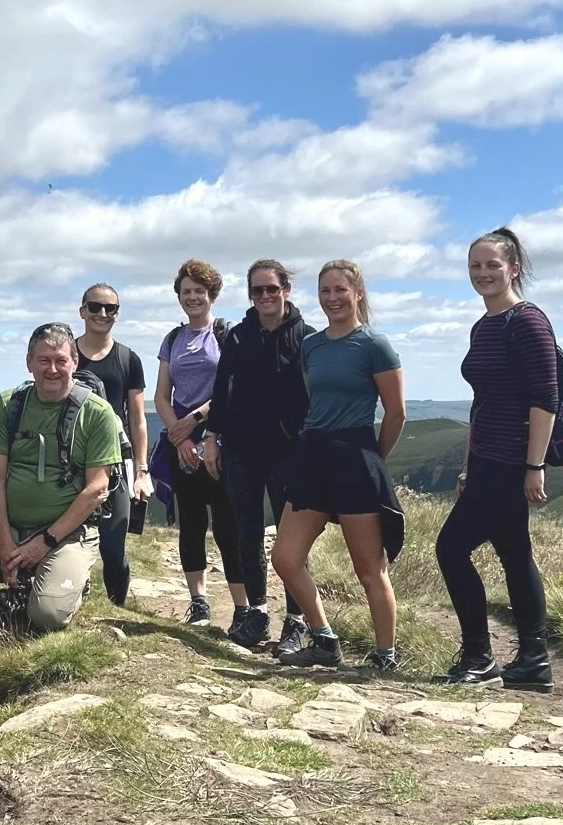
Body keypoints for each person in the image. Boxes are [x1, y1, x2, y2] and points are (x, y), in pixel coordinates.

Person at [0, 322, 124, 690]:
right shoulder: (8, 405)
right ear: (29, 363)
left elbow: (97, 488)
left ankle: (59, 591)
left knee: (47, 614)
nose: (52, 369)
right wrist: (5, 546)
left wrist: (42, 544)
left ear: (74, 362)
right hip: (13, 531)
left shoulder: (96, 413)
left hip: (68, 537)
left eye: (60, 361)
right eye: (43, 360)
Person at [437, 226, 559, 692]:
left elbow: (544, 399)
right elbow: (482, 402)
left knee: (450, 548)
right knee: (514, 554)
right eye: (475, 265)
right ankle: (533, 661)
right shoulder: (485, 325)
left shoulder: (527, 321)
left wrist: (534, 466)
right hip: (489, 459)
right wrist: (471, 466)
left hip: (512, 461)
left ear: (514, 268)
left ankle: (479, 656)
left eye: (493, 265)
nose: (483, 273)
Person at [270, 260, 406, 671]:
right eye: (325, 291)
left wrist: (371, 460)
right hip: (313, 454)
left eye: (340, 290)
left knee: (368, 569)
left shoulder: (374, 345)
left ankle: (386, 657)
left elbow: (395, 412)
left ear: (358, 293)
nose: (332, 298)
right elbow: (316, 398)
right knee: (285, 557)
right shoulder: (312, 345)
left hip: (355, 455)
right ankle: (326, 640)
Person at [203, 258, 310, 652]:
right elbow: (221, 391)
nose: (265, 296)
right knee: (246, 531)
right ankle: (257, 613)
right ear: (249, 294)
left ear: (285, 290)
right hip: (241, 450)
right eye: (257, 290)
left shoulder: (306, 337)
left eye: (272, 289)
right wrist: (213, 436)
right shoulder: (238, 337)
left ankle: (297, 622)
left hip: (289, 452)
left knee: (291, 540)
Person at [152, 259, 247, 629]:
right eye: (186, 291)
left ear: (212, 295)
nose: (192, 297)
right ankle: (199, 602)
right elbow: (162, 395)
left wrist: (196, 425)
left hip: (221, 441)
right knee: (191, 524)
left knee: (227, 526)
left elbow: (232, 391)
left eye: (199, 292)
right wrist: (179, 437)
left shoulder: (227, 334)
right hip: (183, 444)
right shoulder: (173, 339)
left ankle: (241, 608)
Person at [73, 283, 152, 608]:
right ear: (82, 311)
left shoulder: (127, 359)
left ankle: (118, 609)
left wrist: (141, 471)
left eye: (111, 309)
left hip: (116, 462)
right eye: (95, 307)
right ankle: (69, 602)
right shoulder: (65, 355)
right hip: (70, 461)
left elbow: (137, 419)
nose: (102, 314)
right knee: (68, 540)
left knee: (113, 546)